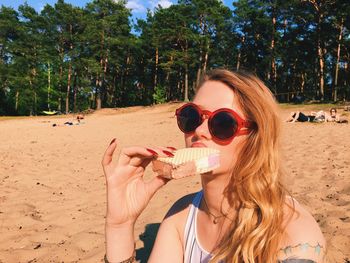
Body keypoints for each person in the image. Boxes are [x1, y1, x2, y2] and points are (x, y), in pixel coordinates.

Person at [102, 69, 326, 263]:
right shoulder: (181, 216)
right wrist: (120, 225)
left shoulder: (293, 232)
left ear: (255, 139)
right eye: (192, 116)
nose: (199, 130)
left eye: (222, 123)